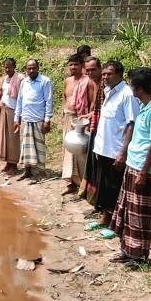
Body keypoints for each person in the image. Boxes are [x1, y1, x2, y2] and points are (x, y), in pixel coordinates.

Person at [110, 67, 151, 265]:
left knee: (140, 215)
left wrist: (143, 173)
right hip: (133, 165)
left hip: (144, 169)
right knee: (127, 210)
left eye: (132, 85)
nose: (131, 89)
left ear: (139, 88)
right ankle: (127, 250)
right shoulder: (145, 106)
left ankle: (139, 255)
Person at [90, 61, 140, 228]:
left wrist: (122, 152)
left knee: (114, 186)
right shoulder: (108, 92)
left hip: (116, 150)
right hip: (103, 148)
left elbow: (131, 124)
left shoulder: (127, 94)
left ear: (119, 75)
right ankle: (105, 217)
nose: (105, 77)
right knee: (103, 185)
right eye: (103, 74)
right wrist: (98, 146)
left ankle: (115, 222)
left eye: (108, 74)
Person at [14, 59, 53, 181]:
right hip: (26, 118)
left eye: (33, 68)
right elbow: (19, 101)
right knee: (26, 146)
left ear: (38, 68)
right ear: (26, 69)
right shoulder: (24, 82)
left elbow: (49, 101)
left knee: (39, 147)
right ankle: (27, 171)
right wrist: (17, 118)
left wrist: (47, 120)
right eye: (29, 68)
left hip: (38, 119)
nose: (31, 70)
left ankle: (41, 172)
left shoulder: (45, 81)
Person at [61, 53, 87, 195]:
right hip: (68, 117)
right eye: (70, 64)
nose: (73, 67)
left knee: (80, 152)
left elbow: (90, 101)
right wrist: (63, 111)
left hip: (80, 120)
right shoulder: (68, 81)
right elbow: (64, 97)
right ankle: (71, 183)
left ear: (81, 65)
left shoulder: (86, 81)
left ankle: (82, 183)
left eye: (76, 64)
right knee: (68, 151)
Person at [79, 57, 104, 201]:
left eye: (93, 70)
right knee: (93, 165)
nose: (90, 73)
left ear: (100, 69)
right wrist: (89, 115)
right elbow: (97, 109)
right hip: (95, 128)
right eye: (87, 70)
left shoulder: (105, 87)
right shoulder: (96, 85)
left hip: (104, 133)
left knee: (98, 167)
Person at [0, 58, 24, 175]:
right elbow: (3, 95)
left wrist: (19, 116)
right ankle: (8, 162)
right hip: (4, 108)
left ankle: (14, 164)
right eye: (5, 67)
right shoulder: (5, 79)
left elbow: (22, 97)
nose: (7, 69)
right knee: (5, 136)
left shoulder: (20, 78)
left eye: (9, 67)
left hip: (14, 110)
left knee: (13, 138)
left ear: (14, 67)